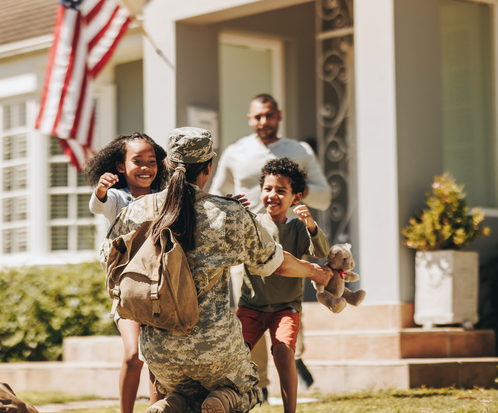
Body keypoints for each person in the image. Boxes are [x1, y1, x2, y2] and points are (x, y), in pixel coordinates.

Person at [101, 127, 333, 413]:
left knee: (178, 388)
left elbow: (110, 262)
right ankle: (222, 398)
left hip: (160, 353)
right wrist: (314, 271)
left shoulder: (137, 210)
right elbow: (277, 262)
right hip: (217, 351)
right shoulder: (228, 213)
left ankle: (171, 402)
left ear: (167, 165)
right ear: (208, 168)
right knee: (248, 390)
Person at [209, 93, 331, 396]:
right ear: (250, 119)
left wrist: (289, 189)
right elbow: (215, 194)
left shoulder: (298, 150)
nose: (264, 121)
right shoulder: (236, 152)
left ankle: (293, 362)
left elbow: (325, 195)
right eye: (257, 116)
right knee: (249, 310)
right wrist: (234, 210)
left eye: (269, 115)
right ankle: (260, 385)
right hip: (248, 242)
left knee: (285, 311)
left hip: (285, 241)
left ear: (279, 115)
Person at [236, 158, 329, 413]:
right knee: (236, 355)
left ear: (296, 197)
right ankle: (234, 403)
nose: (272, 195)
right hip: (251, 306)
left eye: (280, 190)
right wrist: (235, 210)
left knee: (284, 353)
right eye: (267, 189)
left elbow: (321, 251)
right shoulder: (252, 223)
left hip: (285, 308)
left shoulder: (298, 228)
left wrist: (311, 224)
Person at [85, 132, 169, 413]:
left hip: (159, 288)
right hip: (127, 291)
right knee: (134, 355)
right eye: (138, 161)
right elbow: (99, 205)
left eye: (152, 161)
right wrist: (100, 190)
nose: (146, 167)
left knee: (157, 360)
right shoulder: (119, 199)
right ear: (121, 166)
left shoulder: (163, 198)